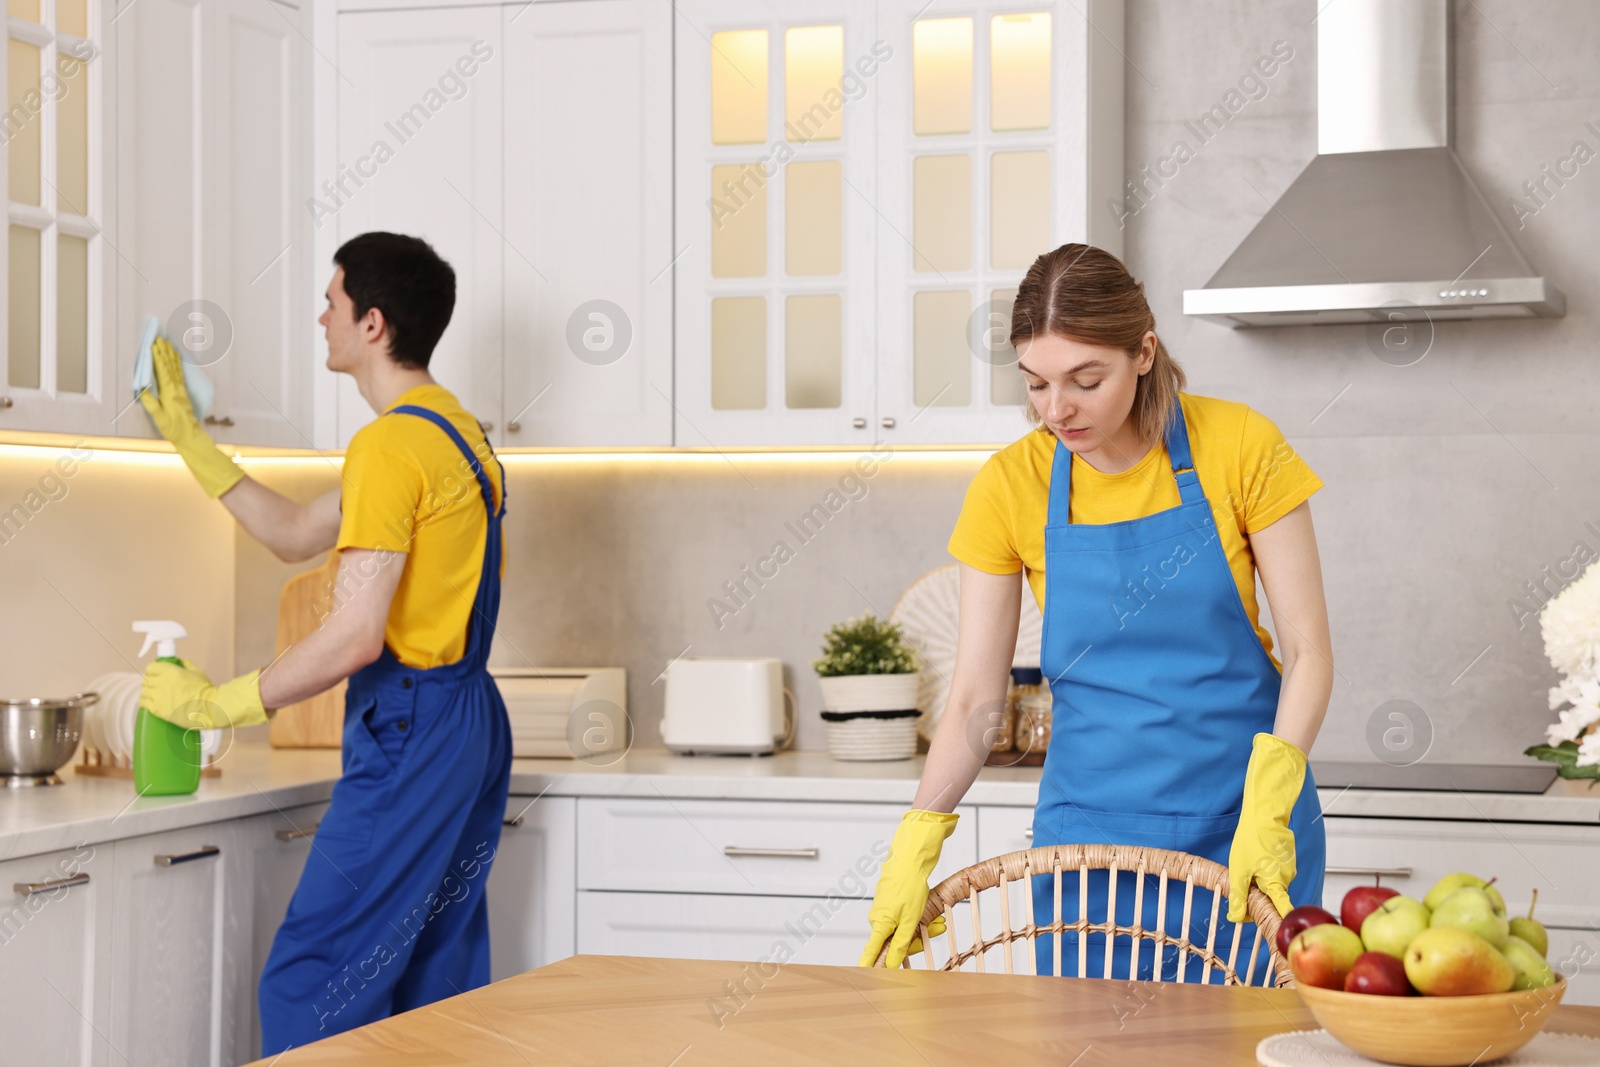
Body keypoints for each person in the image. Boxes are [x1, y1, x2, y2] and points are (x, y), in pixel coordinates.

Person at [859, 244, 1330, 982]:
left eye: (1086, 380)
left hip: (1242, 833)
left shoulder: (1240, 444)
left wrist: (1269, 805)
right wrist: (919, 834)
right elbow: (978, 699)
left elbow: (1308, 653)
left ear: (1144, 352)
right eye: (1037, 383)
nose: (1057, 409)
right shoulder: (1010, 483)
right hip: (1086, 846)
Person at [135, 232, 513, 1051]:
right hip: (471, 722)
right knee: (431, 982)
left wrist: (218, 702)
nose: (321, 316)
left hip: (412, 725)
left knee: (314, 977)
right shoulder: (453, 430)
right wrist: (193, 443)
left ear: (372, 324)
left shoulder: (386, 445)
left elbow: (352, 637)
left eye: (333, 302)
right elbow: (299, 532)